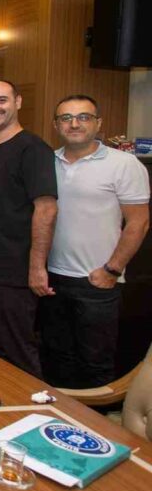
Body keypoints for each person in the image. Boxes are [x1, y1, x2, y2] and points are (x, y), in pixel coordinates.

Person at [42, 95, 150, 388]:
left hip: (96, 282)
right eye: (66, 118)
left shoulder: (124, 164)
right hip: (52, 280)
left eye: (83, 117)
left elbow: (138, 223)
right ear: (55, 125)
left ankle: (95, 417)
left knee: (95, 364)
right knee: (56, 360)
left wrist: (112, 270)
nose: (74, 124)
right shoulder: (47, 162)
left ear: (98, 123)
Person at [0, 80, 57, 378]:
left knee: (18, 355)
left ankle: (31, 406)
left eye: (1, 100)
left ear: (18, 102)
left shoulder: (33, 149)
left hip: (13, 274)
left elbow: (46, 208)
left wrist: (37, 267)